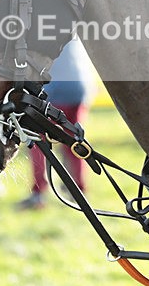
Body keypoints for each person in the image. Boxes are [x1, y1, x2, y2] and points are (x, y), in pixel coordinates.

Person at [16, 38, 95, 210]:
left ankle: (39, 193)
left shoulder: (35, 33)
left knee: (38, 142)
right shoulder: (70, 31)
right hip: (79, 87)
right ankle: (79, 190)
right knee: (75, 141)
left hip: (53, 90)